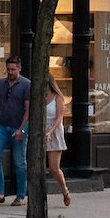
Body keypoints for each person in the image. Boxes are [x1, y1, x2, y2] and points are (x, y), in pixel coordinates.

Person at [0, 57, 30, 205]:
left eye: (13, 69)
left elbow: (28, 110)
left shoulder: (26, 85)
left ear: (19, 68)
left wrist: (21, 130)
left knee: (20, 162)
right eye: (8, 69)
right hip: (2, 126)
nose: (10, 72)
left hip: (19, 126)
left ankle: (21, 195)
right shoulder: (0, 84)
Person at [42, 77, 71, 208]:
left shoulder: (57, 98)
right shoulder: (39, 98)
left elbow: (59, 117)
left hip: (54, 131)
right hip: (41, 131)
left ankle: (64, 190)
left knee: (54, 168)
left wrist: (51, 132)